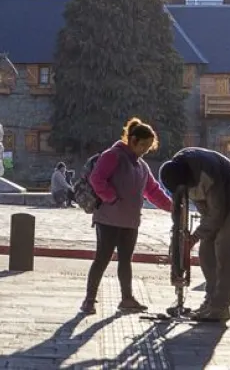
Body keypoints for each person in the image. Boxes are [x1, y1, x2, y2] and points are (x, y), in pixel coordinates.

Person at [80, 117, 173, 315]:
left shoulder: (141, 166)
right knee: (102, 259)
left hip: (130, 222)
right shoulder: (113, 155)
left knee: (125, 261)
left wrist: (172, 207)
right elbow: (96, 178)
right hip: (108, 219)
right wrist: (111, 198)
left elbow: (153, 191)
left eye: (149, 146)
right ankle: (89, 300)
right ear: (132, 140)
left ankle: (127, 299)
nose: (145, 150)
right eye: (143, 145)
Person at [158, 146, 230, 322]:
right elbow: (179, 207)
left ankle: (220, 307)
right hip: (211, 207)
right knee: (206, 252)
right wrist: (179, 238)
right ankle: (210, 300)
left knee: (226, 251)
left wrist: (194, 237)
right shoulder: (176, 171)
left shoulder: (206, 173)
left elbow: (217, 213)